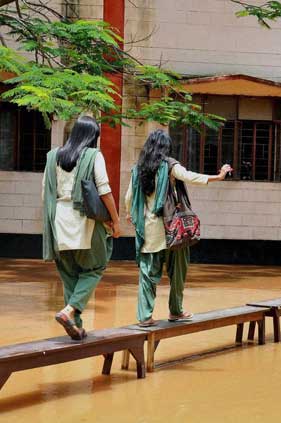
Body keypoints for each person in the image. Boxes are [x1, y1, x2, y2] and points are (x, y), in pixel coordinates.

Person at [125, 129, 231, 327]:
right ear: (165, 148)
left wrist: (130, 214)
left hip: (149, 230)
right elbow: (189, 176)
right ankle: (176, 311)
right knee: (178, 272)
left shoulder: (138, 169)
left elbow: (128, 198)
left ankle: (145, 317)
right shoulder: (169, 165)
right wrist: (218, 177)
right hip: (172, 229)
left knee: (147, 275)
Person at [43, 116, 121, 340]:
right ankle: (69, 311)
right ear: (92, 136)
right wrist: (115, 221)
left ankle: (75, 325)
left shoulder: (52, 157)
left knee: (69, 273)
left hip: (57, 219)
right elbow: (104, 190)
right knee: (96, 266)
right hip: (82, 219)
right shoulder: (93, 155)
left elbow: (44, 193)